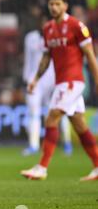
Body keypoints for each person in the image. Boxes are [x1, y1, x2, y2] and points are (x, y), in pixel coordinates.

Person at [21, 0, 98, 181]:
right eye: (51, 4)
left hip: (73, 81)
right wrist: (35, 80)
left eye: (57, 4)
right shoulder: (48, 29)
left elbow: (90, 55)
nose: (53, 7)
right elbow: (46, 58)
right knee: (79, 124)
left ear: (65, 5)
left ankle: (42, 167)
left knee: (52, 117)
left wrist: (97, 81)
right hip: (61, 82)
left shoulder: (76, 26)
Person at [22, 16, 72, 156]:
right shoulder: (30, 37)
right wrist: (26, 79)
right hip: (35, 79)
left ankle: (67, 142)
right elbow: (28, 60)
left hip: (54, 78)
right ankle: (33, 145)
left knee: (60, 110)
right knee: (34, 111)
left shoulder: (59, 36)